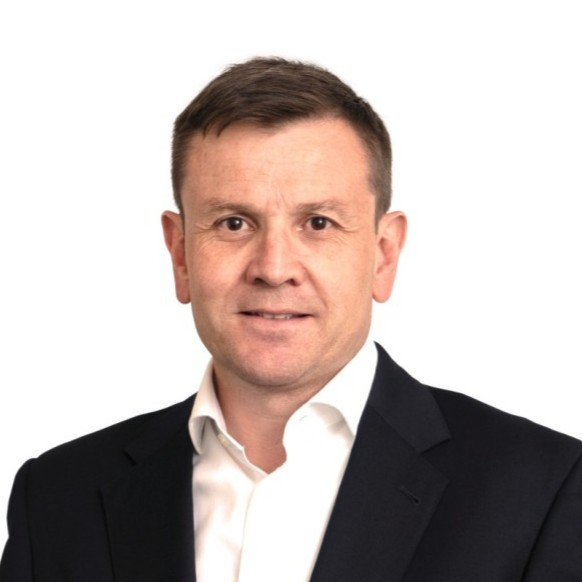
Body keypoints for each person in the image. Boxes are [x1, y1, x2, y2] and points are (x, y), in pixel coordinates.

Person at [1, 57, 581, 582]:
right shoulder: (55, 499)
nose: (274, 268)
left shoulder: (544, 490)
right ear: (180, 255)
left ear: (383, 255)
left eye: (318, 223)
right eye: (233, 223)